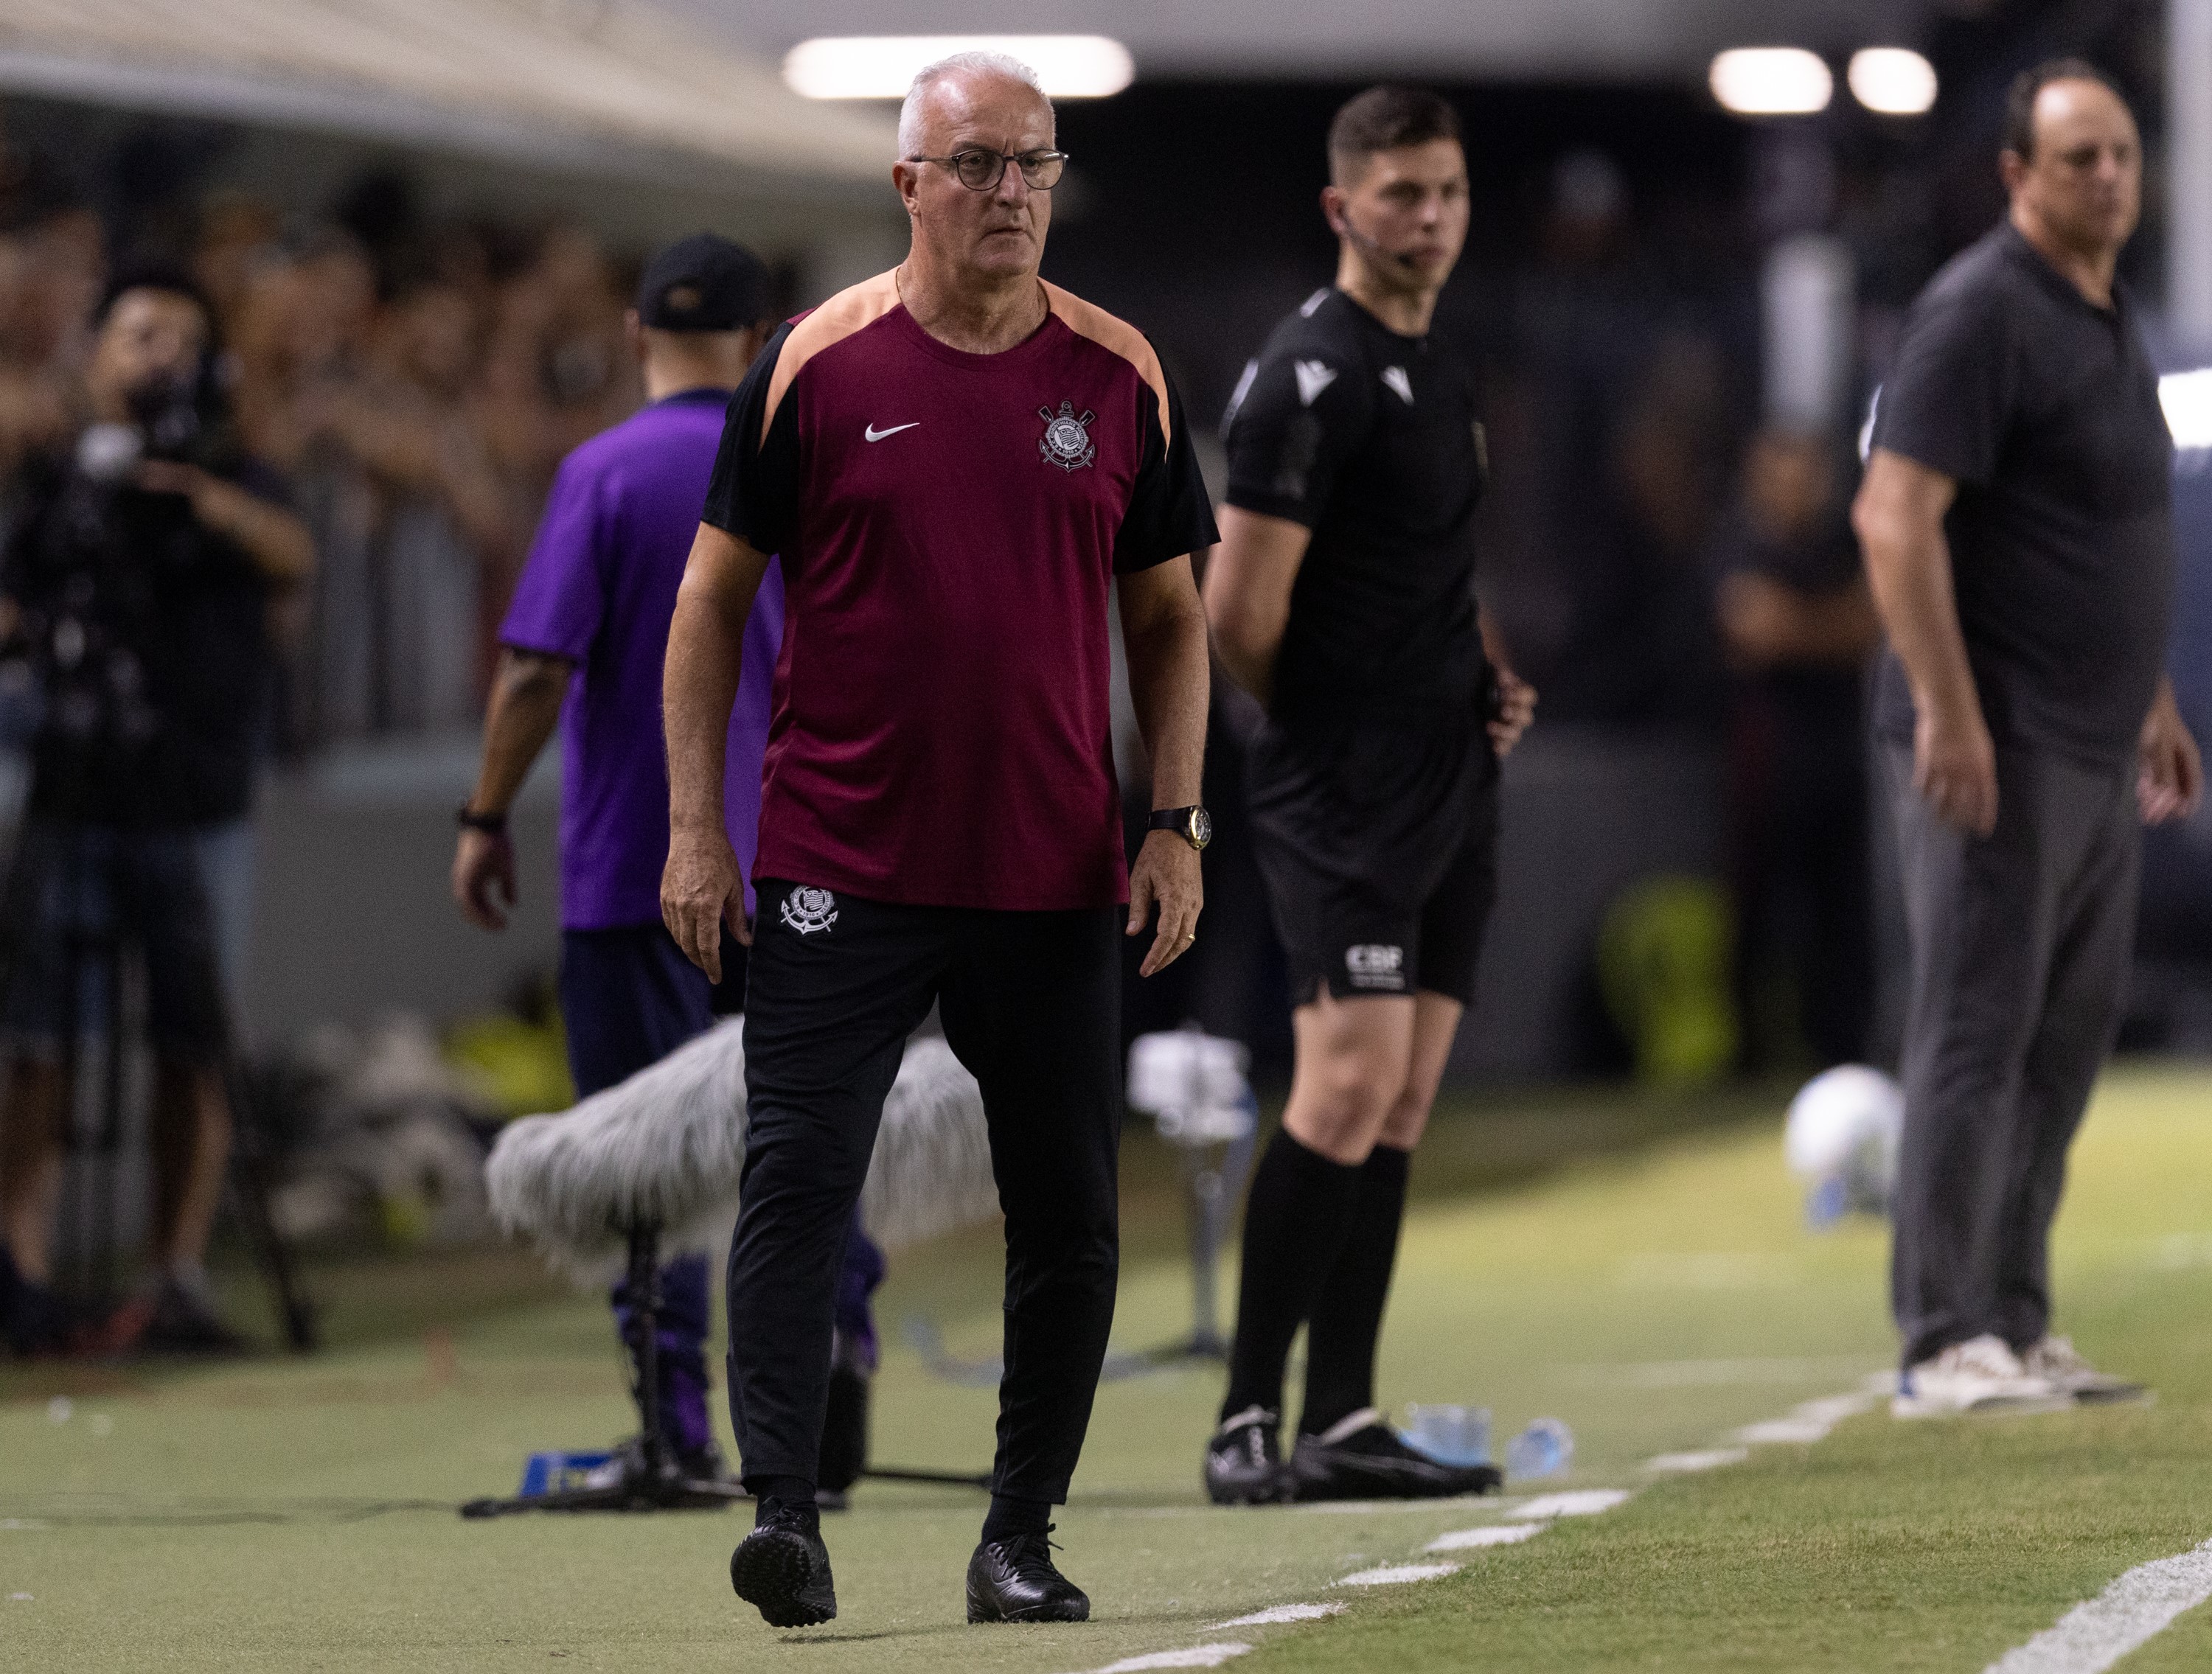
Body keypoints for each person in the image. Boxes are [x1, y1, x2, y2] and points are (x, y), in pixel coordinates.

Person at [661, 52, 1214, 1628]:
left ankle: (1017, 1535)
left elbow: (1170, 618)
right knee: (796, 1175)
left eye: (1034, 166)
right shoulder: (815, 365)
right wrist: (701, 829)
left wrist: (1171, 820)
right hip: (839, 858)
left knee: (1071, 1215)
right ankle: (784, 1512)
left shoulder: (1119, 374)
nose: (1012, 195)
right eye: (978, 166)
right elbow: (709, 606)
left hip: (1050, 870)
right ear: (908, 184)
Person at [1200, 86, 1535, 1506]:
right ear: (1343, 209)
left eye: (1448, 191)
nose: (1432, 217)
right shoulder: (1305, 377)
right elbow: (1237, 614)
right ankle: (1242, 1422)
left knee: (1399, 1101)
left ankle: (1342, 1416)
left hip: (1453, 777)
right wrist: (1332, 733)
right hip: (1342, 787)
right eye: (1403, 194)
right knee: (1340, 1085)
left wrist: (1484, 678)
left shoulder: (1442, 369)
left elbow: (1433, 575)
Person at [1853, 60, 2199, 1418]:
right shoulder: (1981, 311)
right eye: (2077, 159)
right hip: (1994, 739)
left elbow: (2101, 533)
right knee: (1975, 1033)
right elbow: (1893, 518)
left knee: (2062, 1037)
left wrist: (2152, 701)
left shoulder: (2106, 314)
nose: (2106, 177)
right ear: (2017, 175)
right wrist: (1948, 706)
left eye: (2119, 154)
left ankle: (2013, 1313)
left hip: (2094, 742)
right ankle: (1943, 1337)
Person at [453, 233, 804, 1480]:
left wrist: (485, 816)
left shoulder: (600, 472)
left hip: (634, 871)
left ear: (632, 331)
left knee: (644, 1157)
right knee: (803, 1139)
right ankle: (829, 1405)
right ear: (766, 340)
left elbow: (537, 670)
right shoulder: (803, 463)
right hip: (803, 859)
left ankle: (674, 1433)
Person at [0, 266, 313, 1356]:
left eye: (181, 339)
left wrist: (199, 494)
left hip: (194, 799)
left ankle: (171, 1272)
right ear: (95, 352)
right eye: (138, 334)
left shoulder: (232, 475)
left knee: (192, 1039)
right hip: (75, 784)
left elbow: (293, 553)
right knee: (37, 1035)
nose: (158, 357)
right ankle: (23, 1269)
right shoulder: (56, 481)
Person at [1708, 428, 1880, 1071]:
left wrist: (1805, 625)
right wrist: (1831, 625)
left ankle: (1842, 1048)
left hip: (1837, 758)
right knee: (1757, 909)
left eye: (1808, 470)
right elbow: (1754, 626)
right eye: (1784, 469)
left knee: (1841, 913)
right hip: (1766, 762)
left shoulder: (1840, 544)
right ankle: (1748, 1052)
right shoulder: (1736, 545)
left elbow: (1868, 625)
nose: (1798, 484)